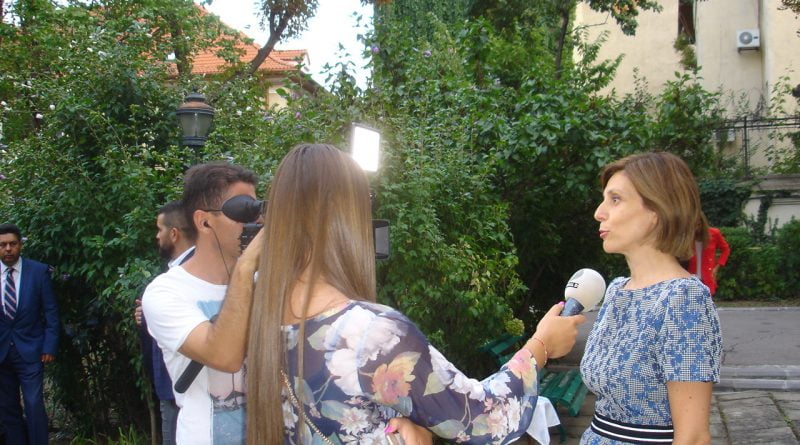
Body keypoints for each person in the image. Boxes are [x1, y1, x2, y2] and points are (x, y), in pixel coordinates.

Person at [242, 144, 586, 444]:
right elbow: (482, 419)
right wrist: (540, 346)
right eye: (367, 203)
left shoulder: (263, 316)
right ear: (347, 217)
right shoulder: (371, 333)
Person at [581, 152, 723, 445]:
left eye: (615, 199)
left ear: (657, 210)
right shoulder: (617, 291)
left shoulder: (683, 300)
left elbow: (693, 437)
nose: (599, 212)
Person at [142, 162, 260, 444]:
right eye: (242, 211)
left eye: (256, 210)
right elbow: (224, 356)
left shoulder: (266, 280)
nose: (254, 222)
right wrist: (246, 267)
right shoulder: (166, 293)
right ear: (204, 221)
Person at [134, 201, 196, 445]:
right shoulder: (177, 275)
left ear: (174, 233)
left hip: (179, 385)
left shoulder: (188, 275)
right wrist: (148, 317)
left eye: (160, 229)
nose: (156, 236)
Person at [0, 223, 60, 445]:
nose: (8, 249)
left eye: (12, 244)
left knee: (34, 404)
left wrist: (49, 346)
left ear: (20, 245)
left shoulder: (38, 271)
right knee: (8, 408)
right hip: (2, 353)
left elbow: (51, 311)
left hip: (31, 351)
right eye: (3, 245)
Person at [687, 227, 730, 297]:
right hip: (690, 276)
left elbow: (726, 249)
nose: (696, 227)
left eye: (699, 224)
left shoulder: (714, 233)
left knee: (707, 300)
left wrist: (717, 267)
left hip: (707, 276)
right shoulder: (687, 234)